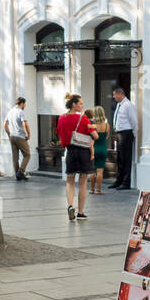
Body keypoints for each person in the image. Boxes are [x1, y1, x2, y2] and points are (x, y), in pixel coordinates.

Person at [56, 92, 96, 221]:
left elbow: (59, 134)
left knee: (70, 180)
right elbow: (95, 136)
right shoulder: (82, 118)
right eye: (80, 104)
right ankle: (81, 212)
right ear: (74, 105)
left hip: (70, 151)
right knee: (83, 182)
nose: (82, 106)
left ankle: (69, 205)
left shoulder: (61, 118)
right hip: (84, 152)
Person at [111, 86, 137, 190]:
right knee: (120, 158)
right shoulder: (119, 105)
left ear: (120, 94)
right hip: (119, 133)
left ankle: (126, 183)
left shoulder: (128, 105)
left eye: (114, 94)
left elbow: (134, 120)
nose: (113, 97)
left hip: (126, 133)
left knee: (126, 158)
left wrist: (133, 134)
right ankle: (119, 180)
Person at [3, 96, 31, 180]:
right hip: (20, 136)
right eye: (24, 104)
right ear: (21, 103)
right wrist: (28, 134)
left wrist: (9, 134)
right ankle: (21, 171)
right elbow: (25, 124)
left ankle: (17, 175)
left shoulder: (10, 111)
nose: (25, 105)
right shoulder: (20, 112)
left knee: (15, 156)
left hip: (12, 136)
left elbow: (5, 125)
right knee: (27, 155)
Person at [90, 105, 110, 194]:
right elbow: (106, 137)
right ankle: (98, 190)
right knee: (100, 170)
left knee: (92, 170)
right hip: (102, 149)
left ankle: (91, 189)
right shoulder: (107, 126)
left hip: (93, 149)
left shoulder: (92, 126)